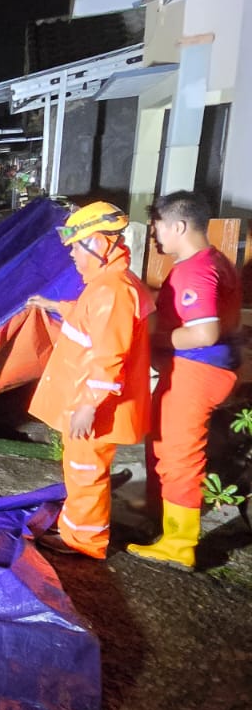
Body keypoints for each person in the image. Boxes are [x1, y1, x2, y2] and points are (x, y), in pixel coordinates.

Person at [26, 202, 154, 559]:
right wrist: (55, 305)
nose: (74, 259)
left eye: (76, 250)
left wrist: (87, 407)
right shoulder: (108, 286)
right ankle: (75, 529)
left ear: (98, 245)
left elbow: (108, 356)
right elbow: (90, 322)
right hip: (90, 401)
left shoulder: (112, 291)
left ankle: (84, 542)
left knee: (85, 472)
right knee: (81, 470)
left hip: (94, 408)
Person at [127, 191, 243, 569]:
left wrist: (149, 340)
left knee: (179, 454)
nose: (156, 234)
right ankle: (159, 510)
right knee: (160, 439)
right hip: (199, 369)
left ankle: (179, 542)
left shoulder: (196, 269)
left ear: (177, 225)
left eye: (158, 225)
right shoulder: (216, 261)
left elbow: (204, 332)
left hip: (196, 370)